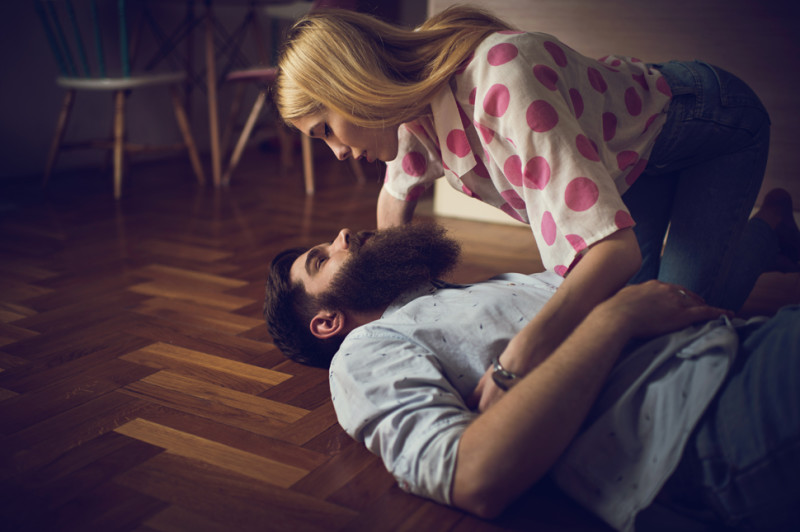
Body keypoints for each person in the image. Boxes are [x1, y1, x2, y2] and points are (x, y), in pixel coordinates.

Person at [273, 5, 787, 414]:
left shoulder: (503, 78)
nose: (337, 153)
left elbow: (611, 250)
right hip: (632, 165)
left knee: (682, 324)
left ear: (353, 87)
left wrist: (517, 359)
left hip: (710, 125)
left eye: (325, 131)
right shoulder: (410, 117)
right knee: (639, 327)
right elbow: (392, 201)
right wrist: (393, 298)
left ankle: (770, 230)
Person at [263, 216, 799, 531]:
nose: (342, 234)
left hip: (735, 348)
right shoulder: (365, 352)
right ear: (327, 321)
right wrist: (619, 317)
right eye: (320, 259)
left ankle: (769, 234)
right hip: (708, 420)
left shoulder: (452, 295)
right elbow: (471, 477)